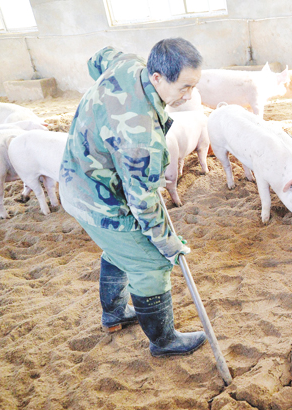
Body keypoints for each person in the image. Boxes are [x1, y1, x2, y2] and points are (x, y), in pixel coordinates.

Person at [59, 38, 204, 357]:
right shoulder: (141, 136)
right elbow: (144, 203)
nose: (188, 95)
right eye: (184, 87)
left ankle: (114, 314)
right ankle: (164, 341)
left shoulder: (128, 63)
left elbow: (97, 57)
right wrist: (168, 245)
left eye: (194, 86)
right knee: (149, 262)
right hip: (100, 199)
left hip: (77, 176)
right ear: (157, 77)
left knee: (120, 249)